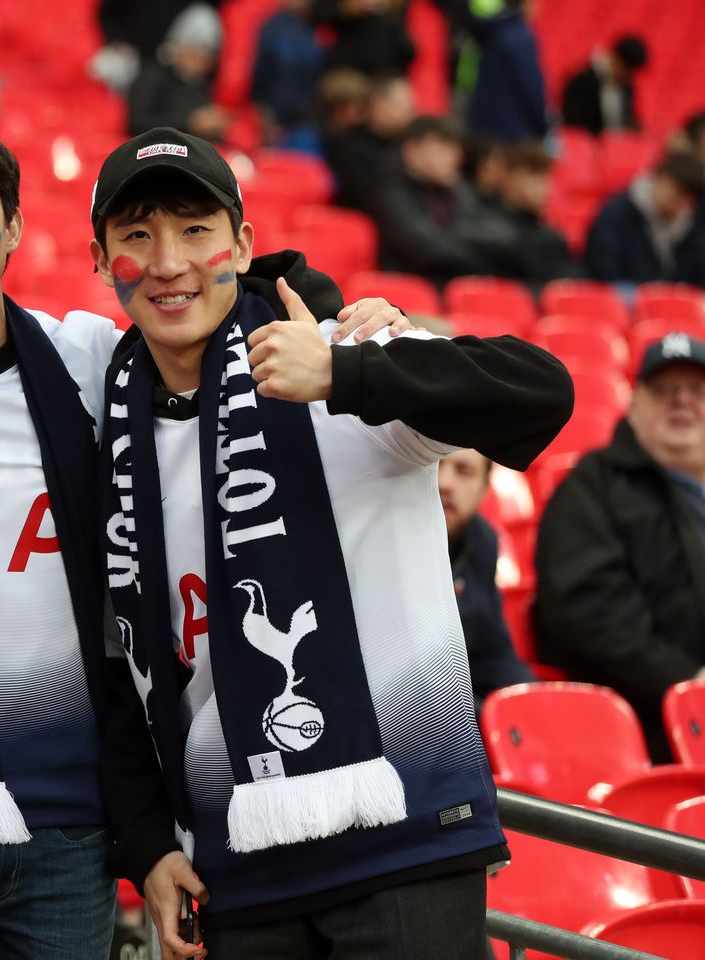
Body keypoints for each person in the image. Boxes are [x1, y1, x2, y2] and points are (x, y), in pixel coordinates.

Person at [0, 108, 408, 960]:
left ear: (14, 226)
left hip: (69, 834)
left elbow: (210, 310)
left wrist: (332, 310)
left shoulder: (94, 359)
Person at [88, 127, 572, 959]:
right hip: (239, 873)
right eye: (136, 236)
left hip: (408, 848)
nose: (168, 261)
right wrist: (148, 845)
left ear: (242, 245)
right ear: (102, 263)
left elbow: (542, 392)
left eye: (196, 229)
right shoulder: (107, 426)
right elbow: (126, 670)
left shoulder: (344, 351)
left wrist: (350, 375)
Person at [536, 334, 705, 762]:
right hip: (637, 726)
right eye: (665, 390)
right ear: (634, 404)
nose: (682, 402)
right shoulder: (592, 485)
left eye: (697, 391)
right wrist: (688, 682)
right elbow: (588, 609)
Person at [437, 448, 536, 706]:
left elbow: (492, 654)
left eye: (464, 471)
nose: (443, 483)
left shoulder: (483, 541)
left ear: (484, 488)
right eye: (433, 465)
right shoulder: (385, 541)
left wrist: (535, 704)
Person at [370, 115, 516, 286]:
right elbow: (427, 250)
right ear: (412, 151)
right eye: (444, 147)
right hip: (413, 296)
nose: (456, 157)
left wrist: (450, 235)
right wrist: (484, 256)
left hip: (460, 287)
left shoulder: (460, 190)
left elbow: (505, 237)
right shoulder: (392, 195)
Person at [585, 153, 705, 288]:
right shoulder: (617, 214)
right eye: (677, 191)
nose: (680, 202)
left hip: (674, 300)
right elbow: (604, 271)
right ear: (660, 178)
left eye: (688, 199)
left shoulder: (691, 225)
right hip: (625, 297)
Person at [128, 4, 229, 143]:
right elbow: (137, 123)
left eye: (208, 53)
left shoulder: (201, 85)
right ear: (178, 46)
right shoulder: (152, 76)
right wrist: (189, 123)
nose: (201, 58)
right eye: (195, 49)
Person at [487, 142, 581, 288]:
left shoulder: (551, 236)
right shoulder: (488, 225)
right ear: (509, 177)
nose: (544, 187)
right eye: (534, 176)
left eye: (546, 177)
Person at [325, 72, 413, 211]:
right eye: (403, 105)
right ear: (379, 105)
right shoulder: (349, 146)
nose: (410, 111)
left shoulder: (409, 145)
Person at [464, 0, 547, 144]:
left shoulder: (493, 34)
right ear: (525, 5)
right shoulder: (519, 38)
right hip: (515, 135)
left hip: (486, 130)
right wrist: (543, 126)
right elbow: (531, 88)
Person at [251, 0, 325, 152]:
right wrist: (265, 114)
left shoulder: (309, 29)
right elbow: (260, 75)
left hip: (304, 116)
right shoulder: (272, 29)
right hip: (273, 114)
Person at [561, 35, 647, 135]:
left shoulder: (627, 88)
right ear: (616, 60)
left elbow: (626, 117)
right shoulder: (581, 82)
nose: (629, 78)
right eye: (627, 72)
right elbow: (574, 125)